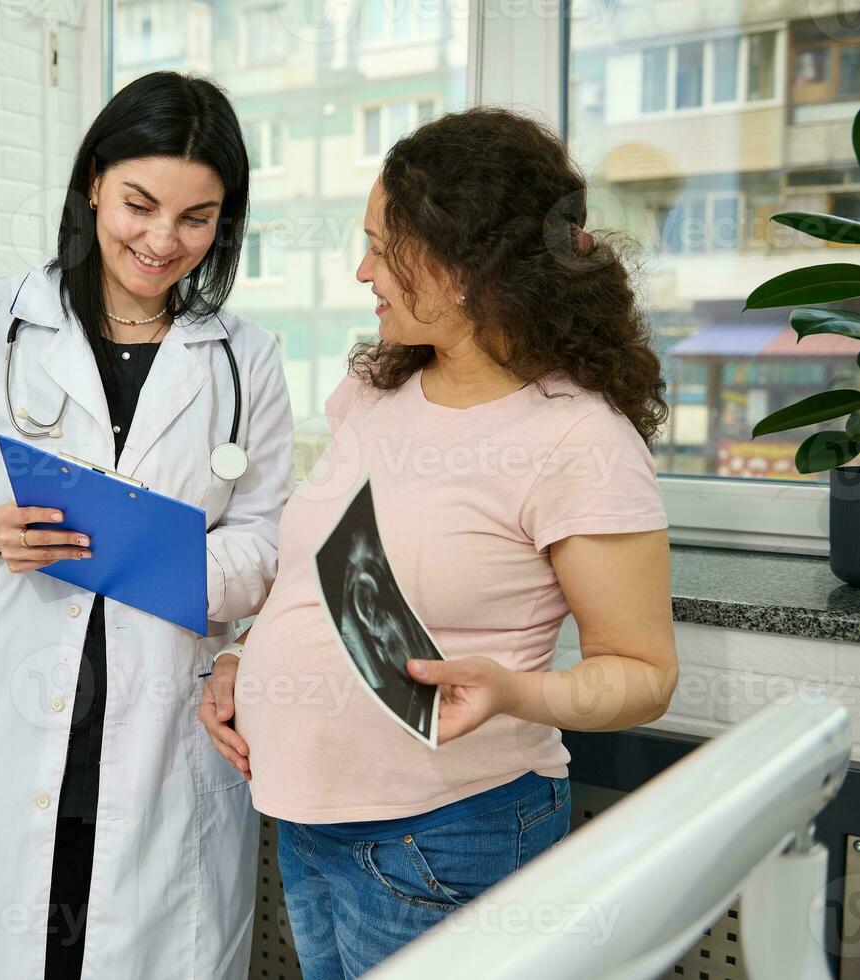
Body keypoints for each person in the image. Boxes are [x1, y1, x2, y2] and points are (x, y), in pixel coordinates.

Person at [197, 106, 680, 977]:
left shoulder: (580, 442)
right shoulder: (376, 390)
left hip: (447, 834)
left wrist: (509, 691)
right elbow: (321, 575)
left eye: (384, 246)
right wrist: (243, 657)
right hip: (307, 822)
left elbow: (642, 676)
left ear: (466, 266)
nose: (361, 270)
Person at [0, 71, 294, 979]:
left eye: (196, 218)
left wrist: (149, 556)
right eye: (138, 204)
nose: (161, 239)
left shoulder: (246, 359)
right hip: (15, 710)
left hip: (164, 725)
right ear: (93, 184)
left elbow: (267, 541)